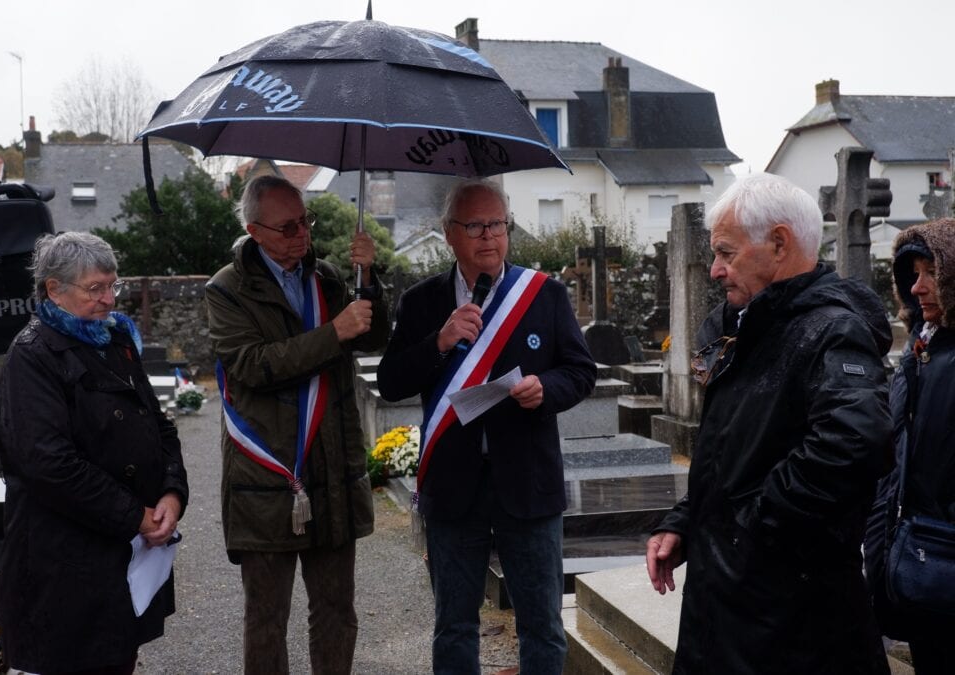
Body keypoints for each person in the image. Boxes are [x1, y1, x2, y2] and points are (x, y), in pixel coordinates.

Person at [644, 172, 893, 673]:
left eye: (726, 253)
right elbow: (734, 455)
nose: (714, 270)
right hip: (730, 600)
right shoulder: (742, 324)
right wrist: (688, 523)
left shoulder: (830, 328)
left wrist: (751, 526)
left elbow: (854, 442)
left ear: (779, 243)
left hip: (790, 619)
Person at [376, 178, 598, 674]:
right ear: (449, 233)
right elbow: (390, 382)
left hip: (528, 484)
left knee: (541, 625)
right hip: (453, 487)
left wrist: (546, 389)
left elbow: (581, 372)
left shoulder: (542, 294)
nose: (488, 236)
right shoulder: (421, 302)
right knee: (454, 628)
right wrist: (438, 342)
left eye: (497, 224)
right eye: (474, 225)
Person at [205, 174, 388, 674]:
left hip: (332, 469)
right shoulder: (227, 290)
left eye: (304, 221)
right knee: (266, 619)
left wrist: (368, 278)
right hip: (267, 475)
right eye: (287, 227)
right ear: (254, 230)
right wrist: (334, 333)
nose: (301, 234)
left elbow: (373, 339)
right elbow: (253, 366)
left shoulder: (328, 277)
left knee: (335, 611)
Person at [0, 231, 189, 674]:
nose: (107, 299)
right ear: (54, 290)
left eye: (112, 285)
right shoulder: (33, 356)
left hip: (121, 555)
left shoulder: (114, 341)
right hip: (61, 562)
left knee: (116, 658)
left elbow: (158, 426)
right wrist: (133, 515)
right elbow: (49, 464)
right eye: (95, 288)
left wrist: (172, 495)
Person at [865, 218, 955, 673]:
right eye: (912, 274)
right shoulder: (922, 348)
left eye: (931, 273)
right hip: (918, 553)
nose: (918, 288)